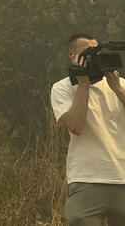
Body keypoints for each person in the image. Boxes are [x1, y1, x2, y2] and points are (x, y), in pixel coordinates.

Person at [52, 33, 125, 225]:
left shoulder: (121, 85)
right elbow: (76, 126)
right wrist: (83, 84)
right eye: (88, 52)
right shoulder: (63, 88)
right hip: (87, 178)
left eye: (97, 51)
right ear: (72, 54)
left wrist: (117, 88)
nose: (94, 57)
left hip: (123, 177)